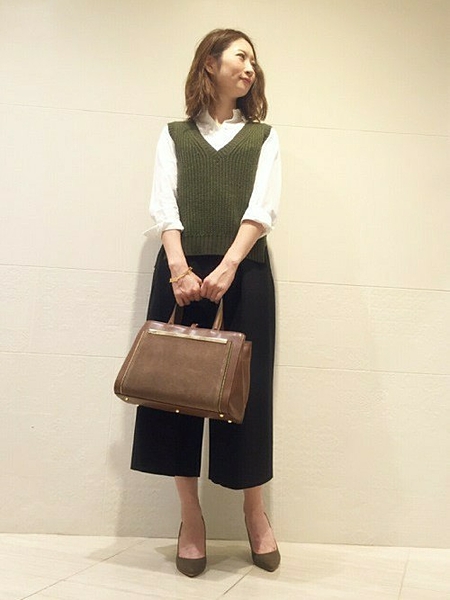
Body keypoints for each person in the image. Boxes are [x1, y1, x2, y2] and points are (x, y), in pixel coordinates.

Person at [131, 28, 281, 577]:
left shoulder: (263, 138)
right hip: (181, 274)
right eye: (241, 56)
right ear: (210, 64)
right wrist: (179, 268)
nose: (250, 67)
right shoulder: (174, 135)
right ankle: (190, 518)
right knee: (174, 391)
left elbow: (262, 209)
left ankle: (254, 512)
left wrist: (229, 266)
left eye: (254, 60)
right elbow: (163, 204)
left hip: (244, 274)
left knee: (247, 393)